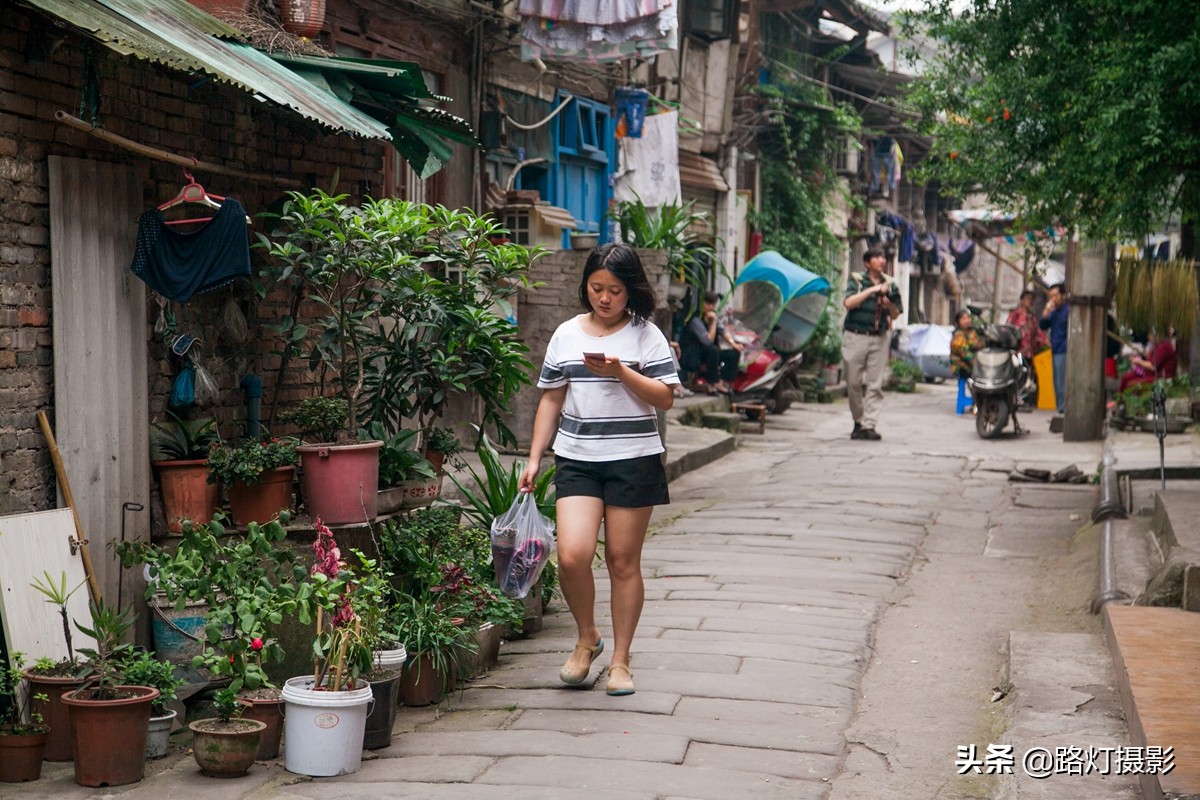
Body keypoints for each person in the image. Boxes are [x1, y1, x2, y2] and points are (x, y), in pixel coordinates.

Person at [518, 243, 679, 697]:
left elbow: (666, 396)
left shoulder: (647, 336)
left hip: (634, 459)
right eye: (596, 288)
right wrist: (534, 458)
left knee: (623, 562)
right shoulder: (567, 334)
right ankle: (587, 636)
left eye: (614, 290)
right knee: (571, 555)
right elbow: (551, 396)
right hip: (578, 458)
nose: (605, 298)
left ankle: (621, 662)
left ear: (632, 292)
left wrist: (620, 372)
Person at [843, 246, 903, 440]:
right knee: (853, 382)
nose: (882, 260)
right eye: (877, 257)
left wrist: (888, 304)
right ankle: (858, 421)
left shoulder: (891, 284)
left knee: (875, 383)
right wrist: (873, 290)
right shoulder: (857, 280)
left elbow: (896, 313)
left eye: (883, 257)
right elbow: (849, 303)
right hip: (855, 336)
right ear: (868, 263)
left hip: (879, 337)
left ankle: (869, 425)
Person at [681, 290, 744, 394]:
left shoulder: (713, 317)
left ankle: (722, 381)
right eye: (708, 304)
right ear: (702, 303)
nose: (711, 307)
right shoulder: (696, 320)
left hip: (708, 354)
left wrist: (734, 344)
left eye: (713, 304)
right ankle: (713, 382)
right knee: (713, 349)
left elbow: (723, 331)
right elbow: (708, 341)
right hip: (693, 356)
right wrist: (713, 322)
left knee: (733, 353)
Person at [1039, 283, 1069, 415]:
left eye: (1056, 295)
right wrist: (1045, 313)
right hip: (1056, 350)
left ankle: (1063, 409)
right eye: (1051, 296)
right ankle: (1060, 408)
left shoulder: (1068, 310)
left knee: (1062, 382)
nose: (1053, 299)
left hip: (1065, 350)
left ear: (1063, 296)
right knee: (1057, 382)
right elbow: (1043, 326)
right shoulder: (1053, 312)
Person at [1118, 327, 1178, 393]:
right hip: (1150, 374)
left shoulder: (1165, 347)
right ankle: (1119, 400)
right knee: (1126, 377)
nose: (1149, 337)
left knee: (1132, 385)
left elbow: (1153, 366)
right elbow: (1150, 357)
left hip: (1161, 378)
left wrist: (1138, 362)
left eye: (1151, 334)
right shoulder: (1157, 346)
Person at [1005, 290, 1047, 361]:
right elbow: (1007, 330)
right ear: (1022, 301)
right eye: (1028, 299)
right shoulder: (1015, 315)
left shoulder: (1032, 317)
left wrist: (1045, 340)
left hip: (1031, 352)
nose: (1030, 301)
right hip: (1018, 352)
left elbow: (1038, 331)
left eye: (1032, 299)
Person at [950, 309, 983, 381]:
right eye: (964, 318)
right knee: (963, 380)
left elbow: (979, 344)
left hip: (971, 364)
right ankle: (961, 392)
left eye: (968, 318)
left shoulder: (972, 332)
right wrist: (973, 360)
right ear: (958, 321)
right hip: (961, 364)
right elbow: (961, 351)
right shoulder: (958, 334)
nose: (967, 320)